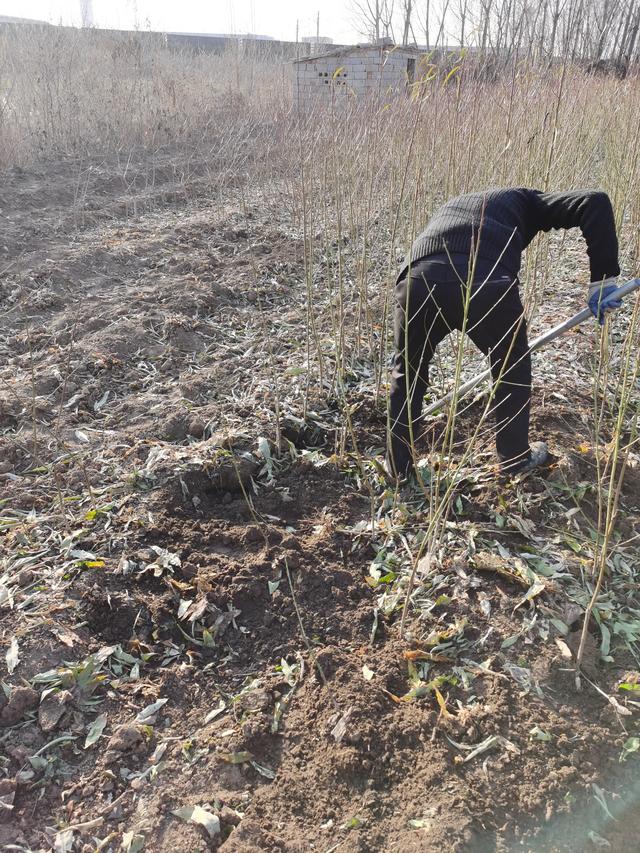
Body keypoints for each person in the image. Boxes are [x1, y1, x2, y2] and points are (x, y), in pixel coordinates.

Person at [387, 188, 622, 478]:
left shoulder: (456, 205)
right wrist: (603, 277)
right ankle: (514, 459)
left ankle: (396, 469)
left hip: (416, 281)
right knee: (511, 366)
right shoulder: (527, 201)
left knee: (407, 371)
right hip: (485, 279)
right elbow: (593, 201)